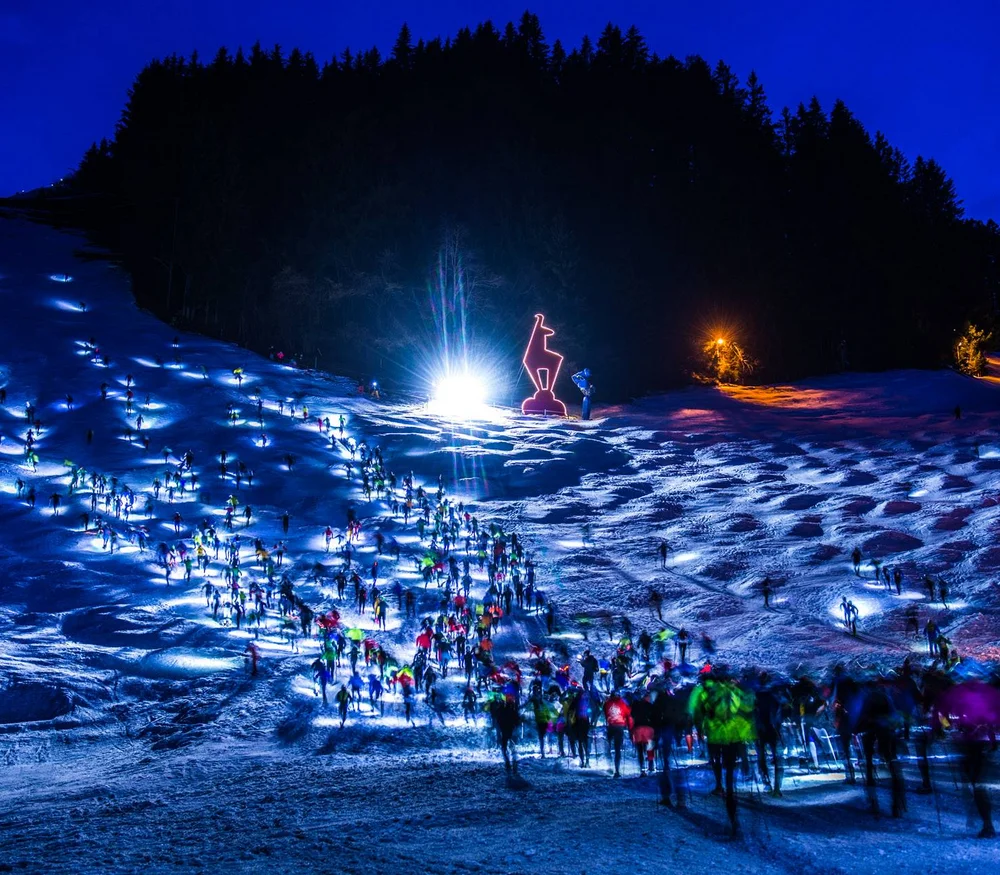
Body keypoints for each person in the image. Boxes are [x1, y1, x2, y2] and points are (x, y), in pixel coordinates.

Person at [604, 690, 632, 777]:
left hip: (611, 726)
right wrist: (629, 727)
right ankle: (617, 770)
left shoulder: (607, 703)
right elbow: (628, 714)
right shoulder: (622, 703)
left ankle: (609, 766)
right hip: (619, 726)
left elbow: (605, 713)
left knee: (608, 746)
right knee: (617, 749)